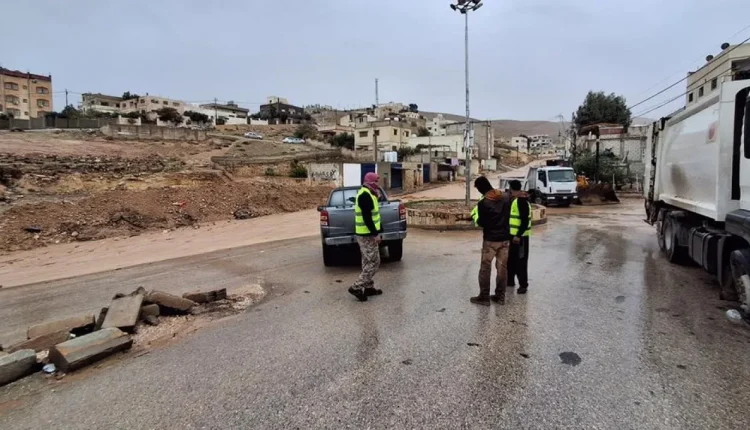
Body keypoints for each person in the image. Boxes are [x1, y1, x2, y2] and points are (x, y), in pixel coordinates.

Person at [470, 176, 511, 306]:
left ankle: (484, 297)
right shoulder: (506, 197)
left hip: (490, 240)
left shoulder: (484, 203)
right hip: (505, 239)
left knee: (485, 268)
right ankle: (500, 296)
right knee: (502, 269)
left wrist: (476, 219)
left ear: (481, 188)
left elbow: (482, 223)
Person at [348, 172, 384, 302]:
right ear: (370, 182)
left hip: (366, 233)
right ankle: (356, 287)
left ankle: (368, 287)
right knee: (374, 262)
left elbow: (374, 214)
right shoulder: (365, 195)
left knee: (367, 261)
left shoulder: (369, 193)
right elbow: (367, 217)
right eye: (376, 181)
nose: (378, 184)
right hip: (366, 234)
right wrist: (375, 234)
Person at [507, 179, 531, 294]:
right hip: (513, 236)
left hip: (520, 238)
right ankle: (510, 281)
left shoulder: (521, 201)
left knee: (521, 261)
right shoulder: (515, 200)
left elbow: (525, 221)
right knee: (511, 259)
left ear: (512, 189)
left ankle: (523, 285)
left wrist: (518, 235)